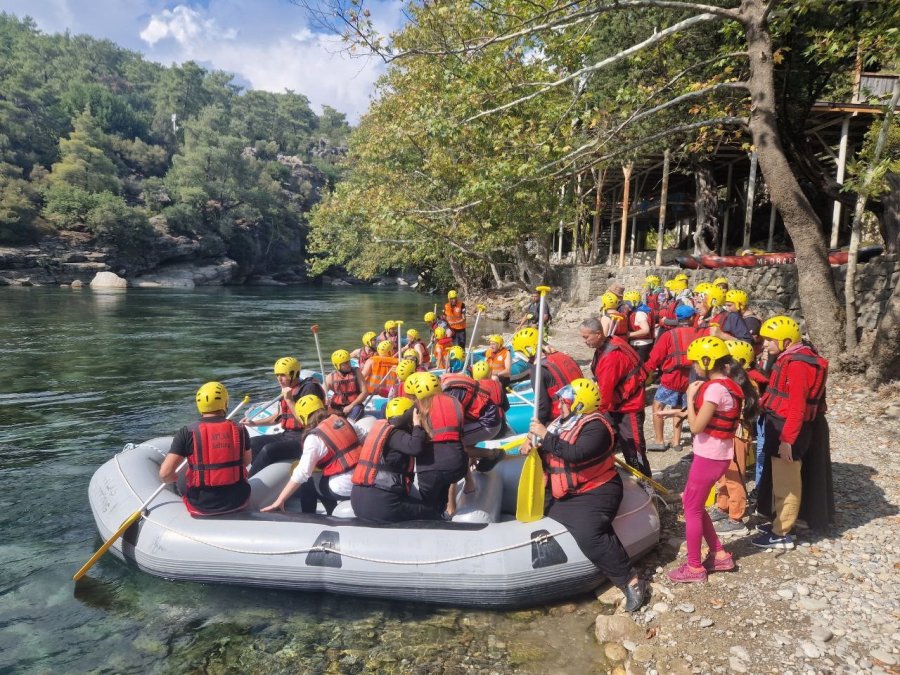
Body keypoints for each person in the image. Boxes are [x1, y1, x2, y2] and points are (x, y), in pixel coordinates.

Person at [523, 378, 647, 612]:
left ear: (579, 405)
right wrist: (531, 445)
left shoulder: (596, 427)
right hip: (567, 490)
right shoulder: (561, 423)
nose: (559, 405)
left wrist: (545, 436)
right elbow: (550, 450)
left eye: (565, 401)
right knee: (539, 510)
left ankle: (630, 579)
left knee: (589, 532)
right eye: (559, 400)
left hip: (596, 490)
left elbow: (576, 453)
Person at [659, 336, 758, 582]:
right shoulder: (729, 384)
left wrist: (690, 397)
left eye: (695, 362)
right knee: (696, 505)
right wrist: (679, 410)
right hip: (718, 455)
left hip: (709, 457)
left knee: (690, 509)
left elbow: (695, 426)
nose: (693, 367)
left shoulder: (713, 388)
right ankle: (719, 554)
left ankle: (694, 568)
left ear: (706, 361)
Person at [752, 316, 832, 549]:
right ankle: (781, 522)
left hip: (788, 429)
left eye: (769, 340)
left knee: (787, 482)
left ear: (786, 341)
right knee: (779, 478)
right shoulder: (789, 358)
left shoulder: (798, 365)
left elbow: (797, 407)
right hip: (780, 423)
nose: (765, 344)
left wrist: (787, 441)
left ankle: (782, 533)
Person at [261, 395, 365, 515]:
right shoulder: (344, 421)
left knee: (309, 483)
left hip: (345, 486)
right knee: (320, 478)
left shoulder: (314, 438)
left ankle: (309, 517)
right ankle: (331, 512)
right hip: (362, 476)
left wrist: (279, 500)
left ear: (302, 418)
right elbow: (364, 437)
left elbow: (302, 473)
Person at [160, 382, 251, 515]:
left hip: (201, 505)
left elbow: (165, 474)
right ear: (225, 403)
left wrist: (172, 479)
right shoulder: (241, 429)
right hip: (238, 501)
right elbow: (246, 462)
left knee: (180, 479)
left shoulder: (186, 432)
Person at [579, 317, 652, 478]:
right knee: (606, 442)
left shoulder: (610, 358)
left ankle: (647, 486)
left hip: (628, 408)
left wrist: (593, 414)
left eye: (586, 337)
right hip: (617, 406)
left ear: (598, 334)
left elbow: (604, 394)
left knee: (634, 450)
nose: (584, 341)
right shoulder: (612, 341)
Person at [350, 397, 440, 523]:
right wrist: (418, 426)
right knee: (432, 513)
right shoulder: (395, 434)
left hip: (360, 500)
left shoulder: (381, 432)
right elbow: (415, 448)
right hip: (381, 504)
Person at [707, 339, 759, 537]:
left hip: (736, 433)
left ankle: (736, 517)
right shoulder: (733, 382)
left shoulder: (744, 384)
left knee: (733, 474)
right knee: (722, 472)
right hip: (727, 433)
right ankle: (723, 506)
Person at [244, 357, 325, 476]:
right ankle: (254, 475)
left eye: (283, 375)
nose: (279, 379)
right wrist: (254, 423)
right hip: (287, 435)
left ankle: (250, 482)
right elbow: (279, 417)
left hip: (305, 438)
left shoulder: (309, 388)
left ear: (294, 374)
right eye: (277, 375)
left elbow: (310, 422)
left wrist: (289, 400)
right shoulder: (288, 390)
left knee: (268, 450)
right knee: (253, 443)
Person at [405, 372, 468, 516]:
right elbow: (462, 439)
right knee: (444, 485)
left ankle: (436, 516)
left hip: (429, 470)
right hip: (457, 466)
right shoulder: (455, 402)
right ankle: (445, 509)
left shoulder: (416, 409)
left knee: (430, 505)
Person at [644, 306, 700, 451]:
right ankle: (676, 441)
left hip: (671, 378)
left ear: (677, 318)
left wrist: (644, 375)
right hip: (690, 378)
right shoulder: (699, 334)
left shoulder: (669, 335)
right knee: (678, 407)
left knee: (657, 406)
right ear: (692, 318)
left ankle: (659, 441)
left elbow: (655, 358)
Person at [513, 327, 583, 424]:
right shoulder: (564, 356)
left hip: (563, 416)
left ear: (528, 350)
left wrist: (536, 428)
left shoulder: (538, 370)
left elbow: (543, 407)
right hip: (581, 407)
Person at [325, 349, 367, 421]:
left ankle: (349, 425)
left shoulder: (356, 372)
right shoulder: (330, 377)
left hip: (354, 406)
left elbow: (364, 392)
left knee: (358, 409)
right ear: (337, 366)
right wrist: (326, 401)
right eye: (345, 363)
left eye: (349, 362)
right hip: (337, 407)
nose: (349, 365)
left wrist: (351, 405)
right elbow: (322, 392)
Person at [622, 290, 654, 363]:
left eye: (627, 303)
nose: (625, 305)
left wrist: (629, 334)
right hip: (643, 344)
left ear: (633, 302)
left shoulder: (639, 313)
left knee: (638, 369)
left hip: (641, 345)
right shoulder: (642, 309)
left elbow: (646, 330)